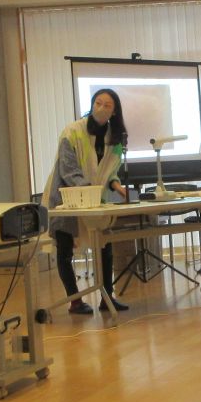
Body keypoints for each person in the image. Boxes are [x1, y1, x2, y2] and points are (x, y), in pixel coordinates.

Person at [45, 88, 130, 315]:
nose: (101, 108)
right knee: (65, 250)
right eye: (98, 103)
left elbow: (110, 171)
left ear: (114, 111)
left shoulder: (114, 138)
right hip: (67, 198)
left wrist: (116, 186)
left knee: (104, 247)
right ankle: (75, 301)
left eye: (107, 105)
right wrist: (88, 191)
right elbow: (68, 169)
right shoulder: (72, 131)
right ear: (92, 104)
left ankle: (106, 298)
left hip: (96, 201)